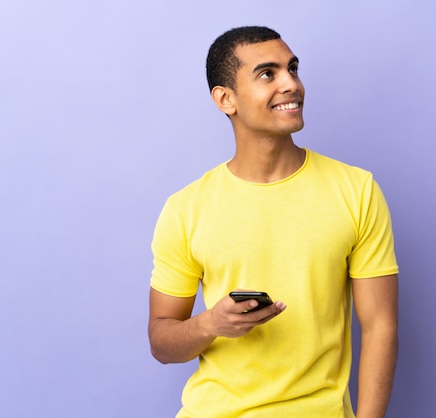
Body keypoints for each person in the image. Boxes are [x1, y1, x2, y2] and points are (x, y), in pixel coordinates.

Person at [148, 26, 399, 418]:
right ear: (225, 99)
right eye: (268, 73)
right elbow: (162, 343)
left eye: (293, 69)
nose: (291, 84)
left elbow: (381, 327)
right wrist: (210, 324)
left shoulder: (356, 190)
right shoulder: (186, 209)